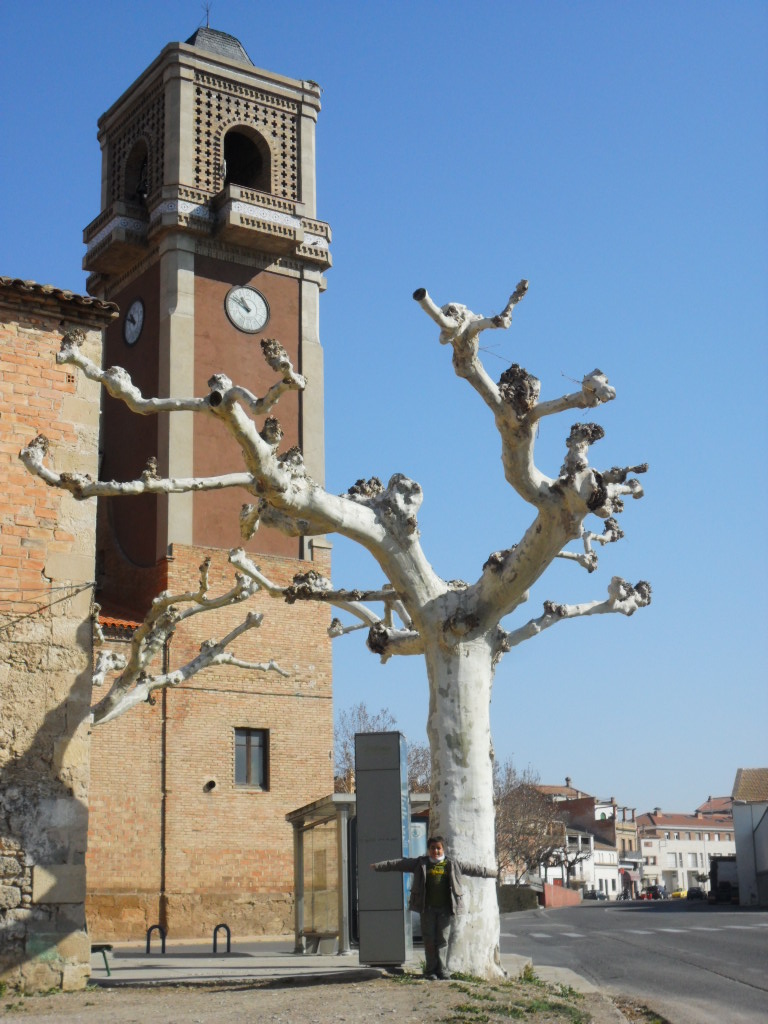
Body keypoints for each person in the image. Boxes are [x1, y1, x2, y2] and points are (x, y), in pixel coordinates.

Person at [371, 835, 496, 980]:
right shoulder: (420, 863)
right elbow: (398, 864)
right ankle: (430, 971)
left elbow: (475, 870)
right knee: (429, 940)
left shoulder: (453, 864)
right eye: (432, 848)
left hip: (445, 909)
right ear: (428, 849)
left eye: (438, 848)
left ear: (443, 849)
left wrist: (494, 873)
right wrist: (378, 866)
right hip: (427, 909)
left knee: (442, 940)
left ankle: (442, 971)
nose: (435, 851)